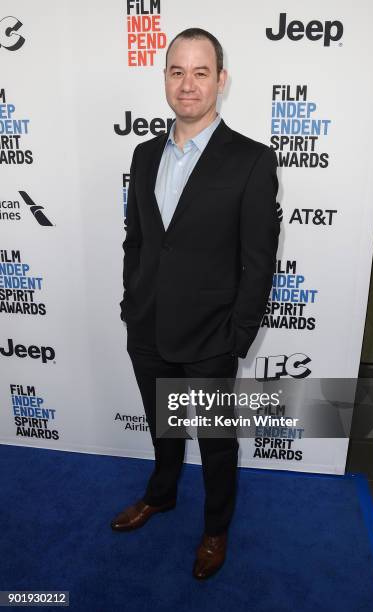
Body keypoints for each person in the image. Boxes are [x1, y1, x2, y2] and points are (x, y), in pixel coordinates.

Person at [111, 27, 280, 580]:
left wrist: (237, 336)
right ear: (164, 79)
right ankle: (160, 496)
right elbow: (138, 238)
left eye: (200, 72)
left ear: (221, 80)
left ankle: (215, 527)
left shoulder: (252, 161)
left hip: (212, 336)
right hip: (148, 326)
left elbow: (259, 262)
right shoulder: (141, 155)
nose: (188, 84)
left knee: (215, 443)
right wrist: (131, 298)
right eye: (177, 71)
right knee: (162, 428)